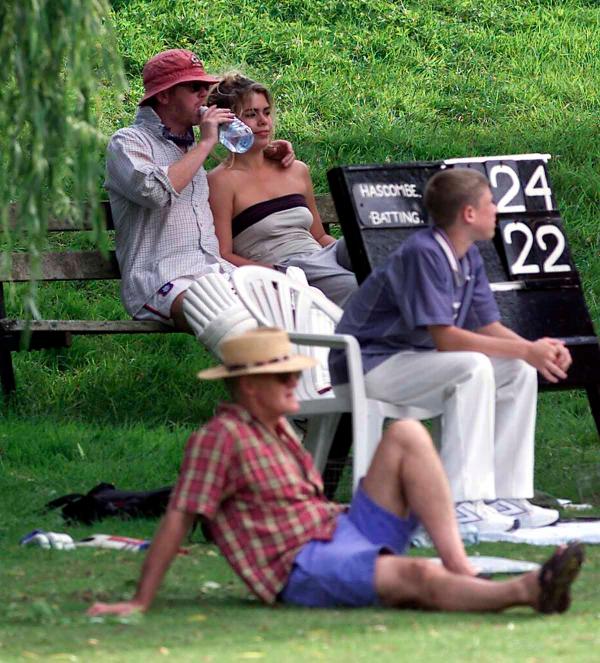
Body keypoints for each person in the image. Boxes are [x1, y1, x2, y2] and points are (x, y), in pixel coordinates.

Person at [87, 328, 584, 615]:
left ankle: (457, 560)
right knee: (411, 573)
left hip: (336, 527)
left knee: (408, 433)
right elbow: (179, 515)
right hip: (298, 564)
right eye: (281, 376)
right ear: (249, 387)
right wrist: (140, 600)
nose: (293, 382)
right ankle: (526, 591)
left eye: (292, 372)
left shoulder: (278, 427)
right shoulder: (221, 439)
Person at [329, 168, 573, 534]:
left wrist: (532, 352)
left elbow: (487, 324)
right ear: (469, 213)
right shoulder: (424, 253)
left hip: (412, 361)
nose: (497, 211)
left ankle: (507, 495)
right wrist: (526, 350)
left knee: (517, 369)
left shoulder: (467, 254)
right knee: (473, 366)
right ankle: (460, 503)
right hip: (368, 365)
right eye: (491, 203)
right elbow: (446, 338)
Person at [105, 50, 295, 331]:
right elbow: (155, 193)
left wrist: (265, 151)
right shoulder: (127, 142)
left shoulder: (189, 147)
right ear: (164, 95)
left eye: (206, 87)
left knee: (294, 309)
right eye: (195, 88)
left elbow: (234, 164)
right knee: (234, 325)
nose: (205, 95)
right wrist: (207, 143)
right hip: (163, 281)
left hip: (215, 272)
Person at [206, 73, 358, 307]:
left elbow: (318, 236)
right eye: (251, 114)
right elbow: (223, 254)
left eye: (266, 112)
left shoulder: (295, 170)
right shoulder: (221, 181)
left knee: (377, 253)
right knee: (354, 287)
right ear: (227, 123)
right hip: (285, 268)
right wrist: (274, 273)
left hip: (321, 257)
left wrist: (349, 254)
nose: (263, 121)